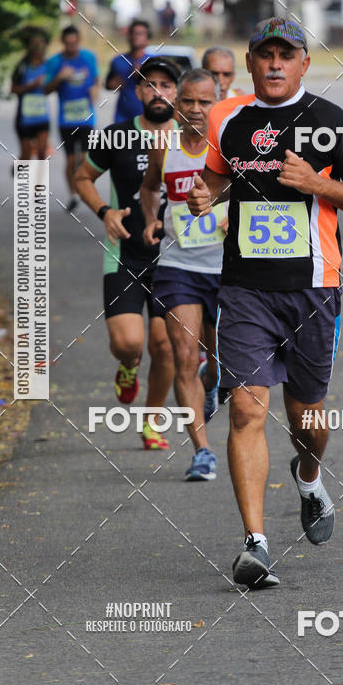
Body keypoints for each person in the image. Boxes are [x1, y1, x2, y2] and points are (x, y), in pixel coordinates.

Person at [187, 17, 343, 589]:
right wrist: (207, 192)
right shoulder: (227, 117)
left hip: (313, 288)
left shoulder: (328, 121)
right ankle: (255, 544)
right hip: (244, 288)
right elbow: (220, 177)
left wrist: (317, 183)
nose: (274, 64)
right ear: (250, 64)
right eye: (264, 54)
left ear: (303, 64)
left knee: (308, 419)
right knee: (247, 410)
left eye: (286, 54)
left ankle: (310, 471)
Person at [74, 58, 182, 449]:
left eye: (166, 85)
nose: (158, 92)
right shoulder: (116, 136)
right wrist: (105, 212)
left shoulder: (189, 139)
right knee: (130, 344)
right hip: (124, 255)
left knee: (165, 344)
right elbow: (82, 177)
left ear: (177, 93)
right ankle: (127, 367)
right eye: (150, 84)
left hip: (174, 259)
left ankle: (151, 421)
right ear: (138, 92)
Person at [140, 69, 223, 480]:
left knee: (222, 363)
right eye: (187, 101)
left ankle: (213, 383)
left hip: (228, 268)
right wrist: (152, 218)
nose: (194, 109)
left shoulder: (230, 146)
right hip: (178, 266)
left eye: (204, 102)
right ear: (177, 104)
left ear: (217, 103)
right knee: (183, 356)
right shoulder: (164, 145)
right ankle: (202, 452)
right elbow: (149, 187)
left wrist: (231, 217)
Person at [45, 25, 98, 211]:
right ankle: (73, 194)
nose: (71, 46)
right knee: (70, 160)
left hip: (86, 118)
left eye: (74, 42)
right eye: (68, 43)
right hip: (65, 120)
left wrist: (94, 90)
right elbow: (45, 90)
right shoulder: (55, 62)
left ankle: (82, 189)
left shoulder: (89, 58)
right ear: (63, 42)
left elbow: (95, 79)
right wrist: (59, 77)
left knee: (83, 158)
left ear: (78, 41)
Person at [11, 28, 50, 161]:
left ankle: (38, 183)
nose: (39, 46)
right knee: (26, 155)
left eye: (42, 43)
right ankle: (21, 173)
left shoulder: (48, 66)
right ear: (29, 46)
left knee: (41, 152)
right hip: (24, 118)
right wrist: (30, 86)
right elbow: (13, 89)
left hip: (42, 116)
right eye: (35, 43)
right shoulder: (22, 67)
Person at [105, 19, 152, 123]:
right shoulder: (117, 61)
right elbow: (108, 85)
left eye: (140, 33)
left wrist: (143, 76)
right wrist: (113, 85)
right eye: (133, 32)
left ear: (147, 40)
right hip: (122, 119)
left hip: (148, 119)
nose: (135, 36)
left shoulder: (154, 62)